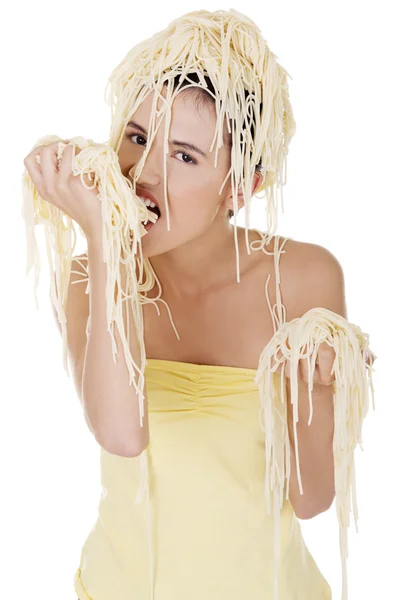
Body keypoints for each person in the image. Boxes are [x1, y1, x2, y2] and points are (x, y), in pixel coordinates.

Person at [23, 9, 366, 600]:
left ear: (241, 186)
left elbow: (311, 498)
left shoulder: (305, 278)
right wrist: (106, 241)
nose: (141, 174)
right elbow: (120, 434)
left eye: (184, 156)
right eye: (135, 138)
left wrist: (324, 385)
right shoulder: (88, 276)